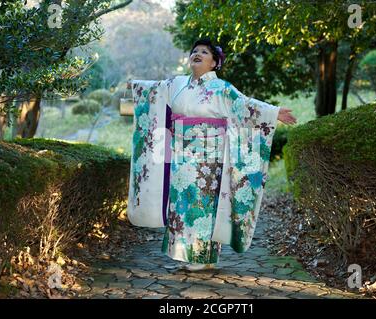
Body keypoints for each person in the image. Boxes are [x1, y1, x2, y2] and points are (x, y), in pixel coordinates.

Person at [122, 38, 297, 271]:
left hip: (209, 155)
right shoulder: (178, 84)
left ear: (215, 62)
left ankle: (200, 256)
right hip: (180, 153)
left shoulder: (222, 88)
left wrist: (274, 112)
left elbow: (245, 106)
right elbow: (153, 90)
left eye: (204, 52)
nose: (198, 54)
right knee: (181, 202)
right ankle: (189, 254)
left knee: (202, 202)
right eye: (195, 51)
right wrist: (134, 86)